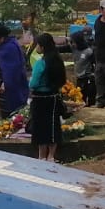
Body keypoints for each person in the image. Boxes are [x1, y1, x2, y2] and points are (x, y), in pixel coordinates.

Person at [28, 32, 66, 163]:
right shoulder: (58, 61)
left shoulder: (40, 63)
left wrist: (30, 83)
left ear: (42, 47)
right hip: (54, 98)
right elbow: (62, 81)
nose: (36, 47)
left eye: (38, 44)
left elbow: (34, 83)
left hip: (40, 99)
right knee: (53, 125)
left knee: (40, 127)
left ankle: (41, 156)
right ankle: (51, 156)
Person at [0, 22, 29, 117]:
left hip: (11, 87)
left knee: (11, 111)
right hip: (11, 83)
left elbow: (11, 70)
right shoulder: (9, 44)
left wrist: (6, 84)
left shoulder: (8, 48)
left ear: (1, 37)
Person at [71, 28, 97, 106]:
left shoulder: (89, 51)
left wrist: (93, 73)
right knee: (80, 99)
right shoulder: (74, 49)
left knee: (91, 99)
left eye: (74, 42)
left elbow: (95, 63)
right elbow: (62, 48)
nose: (73, 44)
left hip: (88, 79)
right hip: (79, 78)